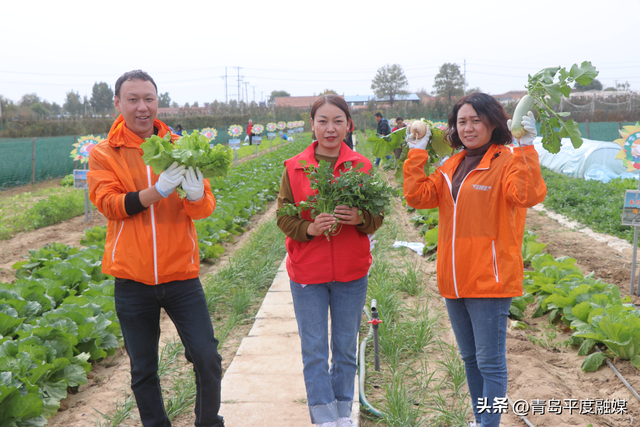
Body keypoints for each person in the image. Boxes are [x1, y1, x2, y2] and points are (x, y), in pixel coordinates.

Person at [87, 70, 224, 427]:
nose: (142, 107)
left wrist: (195, 195)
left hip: (181, 275)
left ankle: (209, 422)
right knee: (143, 369)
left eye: (149, 98)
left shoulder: (183, 147)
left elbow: (205, 207)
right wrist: (158, 191)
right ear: (117, 103)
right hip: (132, 279)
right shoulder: (105, 153)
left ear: (157, 101)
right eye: (132, 99)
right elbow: (110, 204)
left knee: (207, 356)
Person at [402, 93, 546, 427]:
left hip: (489, 280)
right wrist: (416, 152)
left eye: (475, 120)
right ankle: (482, 420)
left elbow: (529, 195)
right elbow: (418, 196)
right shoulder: (452, 165)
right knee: (470, 358)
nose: (467, 128)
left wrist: (526, 148)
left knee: (490, 362)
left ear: (493, 123)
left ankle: (488, 424)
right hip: (453, 280)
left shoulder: (507, 160)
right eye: (462, 121)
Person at [277, 95, 384, 427]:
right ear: (312, 125)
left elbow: (377, 215)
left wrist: (359, 218)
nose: (330, 128)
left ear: (348, 125)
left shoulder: (362, 166)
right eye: (322, 120)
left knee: (345, 347)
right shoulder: (295, 166)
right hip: (308, 272)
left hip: (351, 273)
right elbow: (283, 216)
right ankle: (323, 417)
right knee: (314, 350)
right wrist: (308, 227)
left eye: (338, 120)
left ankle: (342, 412)